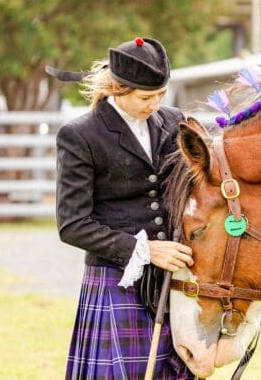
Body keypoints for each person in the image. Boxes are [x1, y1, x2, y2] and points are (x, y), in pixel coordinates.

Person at [55, 37, 194, 379]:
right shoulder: (80, 135)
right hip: (117, 279)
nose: (155, 104)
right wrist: (145, 250)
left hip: (172, 279)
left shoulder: (174, 121)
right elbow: (72, 225)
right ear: (117, 88)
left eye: (161, 94)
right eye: (146, 97)